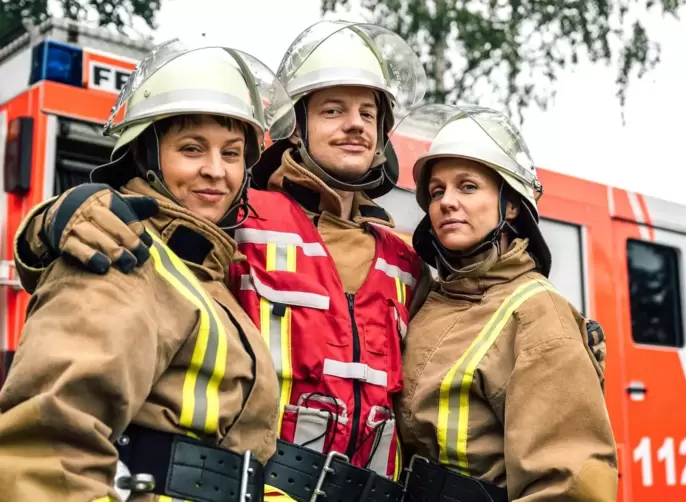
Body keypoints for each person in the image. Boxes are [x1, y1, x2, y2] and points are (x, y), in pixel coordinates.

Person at [9, 21, 432, 500]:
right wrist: (50, 221)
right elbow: (50, 438)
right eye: (333, 109)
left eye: (367, 113)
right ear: (295, 128)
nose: (216, 169)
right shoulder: (237, 222)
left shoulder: (406, 258)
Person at [0, 39, 297, 501]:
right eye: (193, 149)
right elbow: (47, 454)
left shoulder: (204, 275)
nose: (216, 171)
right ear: (145, 156)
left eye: (233, 153)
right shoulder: (120, 256)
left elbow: (229, 458)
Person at [392, 105, 618, 501]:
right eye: (437, 191)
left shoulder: (537, 313)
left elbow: (567, 486)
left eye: (468, 187)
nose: (447, 202)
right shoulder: (426, 301)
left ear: (510, 204)